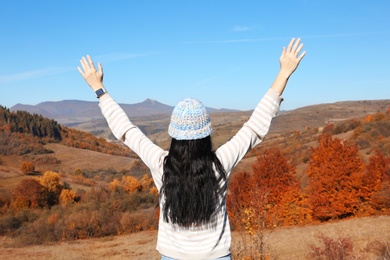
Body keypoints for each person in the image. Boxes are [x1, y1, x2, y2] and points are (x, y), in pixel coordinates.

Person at [78, 38, 306, 260]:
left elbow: (126, 130)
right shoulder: (220, 163)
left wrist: (98, 88)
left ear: (173, 136)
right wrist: (284, 73)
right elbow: (255, 126)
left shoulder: (161, 164)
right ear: (206, 135)